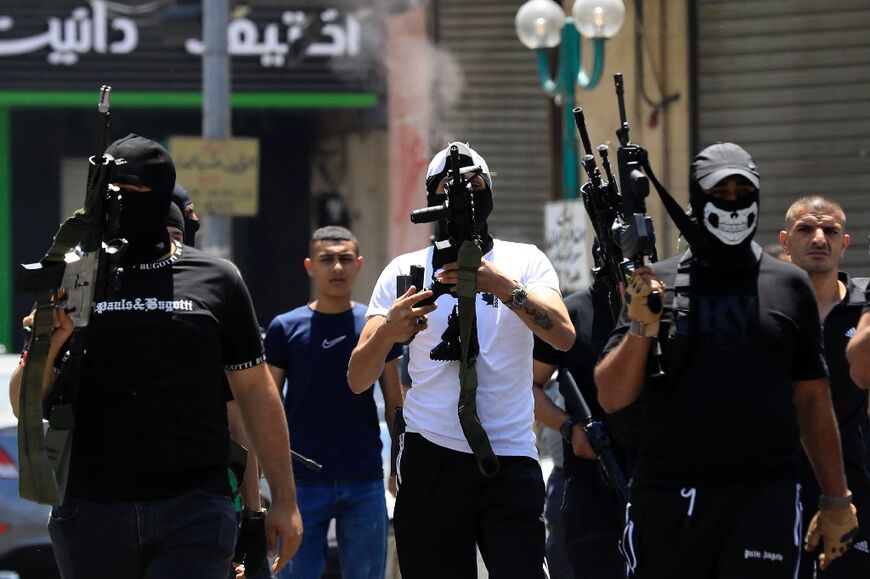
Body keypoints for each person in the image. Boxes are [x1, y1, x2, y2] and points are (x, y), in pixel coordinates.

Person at [9, 134, 302, 578]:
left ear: (163, 194)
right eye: (114, 193)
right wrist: (51, 338)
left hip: (194, 510)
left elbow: (255, 395)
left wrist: (281, 500)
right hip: (90, 509)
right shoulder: (75, 276)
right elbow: (23, 402)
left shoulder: (217, 281)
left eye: (136, 191)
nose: (124, 204)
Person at [594, 142, 858, 579]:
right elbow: (611, 396)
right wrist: (641, 327)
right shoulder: (656, 281)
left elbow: (812, 400)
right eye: (721, 193)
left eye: (743, 192)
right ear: (697, 200)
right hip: (668, 500)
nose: (733, 204)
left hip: (763, 500)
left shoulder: (790, 286)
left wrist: (835, 498)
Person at [347, 142, 575, 578]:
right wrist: (391, 331)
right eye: (450, 184)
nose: (464, 191)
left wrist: (503, 287)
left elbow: (562, 336)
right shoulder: (404, 272)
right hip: (432, 457)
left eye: (474, 181)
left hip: (507, 457)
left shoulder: (523, 261)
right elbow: (358, 377)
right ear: (431, 199)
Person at [265, 226, 402, 579]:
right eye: (327, 259)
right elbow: (267, 405)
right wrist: (272, 474)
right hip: (303, 481)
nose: (336, 268)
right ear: (310, 266)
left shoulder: (376, 326)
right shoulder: (285, 327)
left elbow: (394, 401)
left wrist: (398, 466)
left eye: (344, 259)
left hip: (364, 476)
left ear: (359, 264)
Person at [780, 195, 870, 577]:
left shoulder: (866, 306)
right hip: (779, 489)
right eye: (806, 229)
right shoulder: (766, 307)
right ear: (785, 240)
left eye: (830, 231)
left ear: (844, 244)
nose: (819, 238)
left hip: (856, 491)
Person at [532, 279, 627, 579]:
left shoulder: (662, 305)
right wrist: (568, 426)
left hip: (649, 482)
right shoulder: (572, 312)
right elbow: (526, 386)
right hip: (586, 481)